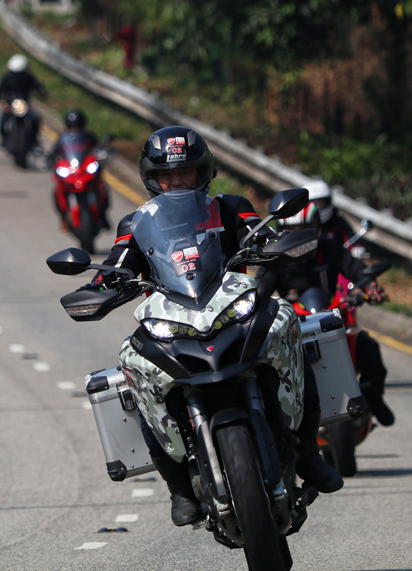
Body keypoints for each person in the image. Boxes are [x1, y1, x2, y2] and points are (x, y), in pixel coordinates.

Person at [79, 126, 343, 527]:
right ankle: (180, 487)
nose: (176, 181)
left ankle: (308, 453)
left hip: (233, 304)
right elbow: (115, 268)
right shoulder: (135, 224)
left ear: (203, 171)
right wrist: (97, 287)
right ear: (152, 178)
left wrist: (273, 243)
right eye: (167, 175)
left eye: (185, 172)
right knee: (133, 363)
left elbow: (263, 233)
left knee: (288, 321)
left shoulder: (231, 206)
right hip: (174, 317)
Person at [256, 201, 395, 427]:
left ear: (318, 228)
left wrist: (370, 287)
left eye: (305, 230)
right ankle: (274, 421)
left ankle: (373, 398)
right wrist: (254, 306)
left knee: (368, 347)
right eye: (292, 232)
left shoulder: (329, 247)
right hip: (294, 323)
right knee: (266, 362)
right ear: (282, 232)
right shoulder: (275, 258)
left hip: (331, 316)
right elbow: (262, 288)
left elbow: (355, 268)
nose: (298, 237)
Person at [49, 109, 110, 231]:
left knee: (102, 187)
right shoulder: (62, 138)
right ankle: (63, 219)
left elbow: (97, 148)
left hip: (84, 170)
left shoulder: (88, 137)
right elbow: (54, 153)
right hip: (71, 171)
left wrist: (102, 152)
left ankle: (103, 215)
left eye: (76, 126)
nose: (74, 129)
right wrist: (49, 159)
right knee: (57, 191)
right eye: (72, 126)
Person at [304, 179, 367, 258]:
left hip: (335, 263)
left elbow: (350, 236)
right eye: (314, 205)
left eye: (321, 203)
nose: (318, 208)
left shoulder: (338, 222)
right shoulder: (301, 224)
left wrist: (357, 247)